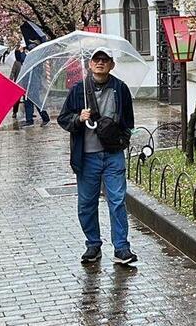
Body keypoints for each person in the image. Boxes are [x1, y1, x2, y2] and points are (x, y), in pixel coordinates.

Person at [57, 49, 137, 265]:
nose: (100, 63)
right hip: (87, 156)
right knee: (86, 203)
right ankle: (93, 244)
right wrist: (78, 119)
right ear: (89, 64)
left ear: (112, 65)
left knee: (118, 201)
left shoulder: (120, 89)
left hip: (113, 155)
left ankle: (121, 248)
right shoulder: (78, 90)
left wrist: (120, 135)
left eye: (105, 60)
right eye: (96, 60)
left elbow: (128, 121)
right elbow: (63, 119)